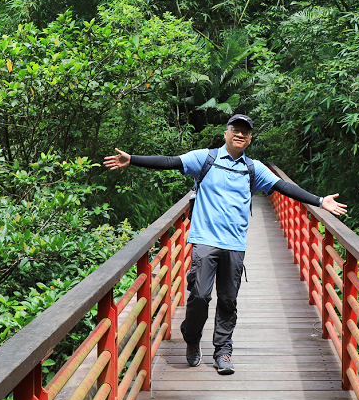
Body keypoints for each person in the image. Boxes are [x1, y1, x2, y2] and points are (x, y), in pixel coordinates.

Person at [104, 114, 346, 375]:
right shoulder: (205, 158)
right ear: (226, 133)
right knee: (200, 295)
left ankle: (222, 351)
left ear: (250, 139)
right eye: (235, 130)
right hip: (204, 240)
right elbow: (170, 162)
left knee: (228, 300)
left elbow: (284, 186)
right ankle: (192, 337)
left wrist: (319, 201)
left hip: (235, 243)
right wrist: (133, 159)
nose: (240, 135)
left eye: (245, 132)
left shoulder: (253, 168)